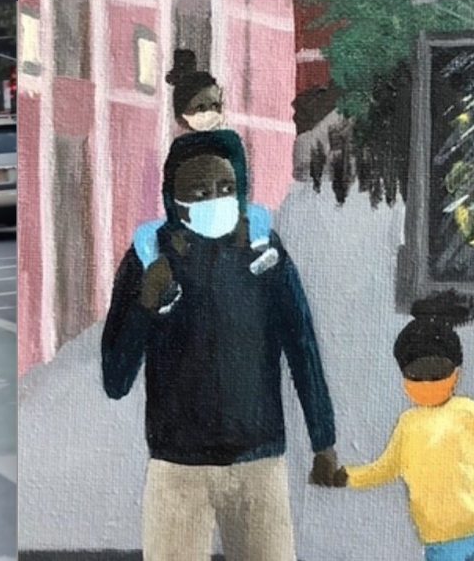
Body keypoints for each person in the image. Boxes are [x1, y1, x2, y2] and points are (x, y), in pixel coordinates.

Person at [101, 129, 340, 561]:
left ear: (242, 188)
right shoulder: (148, 260)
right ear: (173, 197)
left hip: (259, 464)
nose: (215, 197)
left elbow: (302, 345)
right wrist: (144, 307)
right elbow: (116, 380)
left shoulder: (266, 254)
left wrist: (324, 440)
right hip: (177, 470)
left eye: (226, 187)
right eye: (198, 189)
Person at [333, 296, 474, 561]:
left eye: (431, 374)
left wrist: (348, 476)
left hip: (446, 540)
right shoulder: (466, 413)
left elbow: (383, 469)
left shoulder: (412, 425)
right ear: (456, 373)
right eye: (418, 376)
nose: (426, 382)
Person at [130, 50, 278, 277]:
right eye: (201, 108)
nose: (210, 113)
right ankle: (153, 266)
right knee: (144, 234)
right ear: (182, 116)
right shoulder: (180, 148)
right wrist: (175, 226)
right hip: (190, 217)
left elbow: (240, 178)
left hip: (232, 211)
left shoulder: (230, 140)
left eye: (215, 106)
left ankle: (259, 250)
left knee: (260, 215)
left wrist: (239, 215)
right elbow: (169, 189)